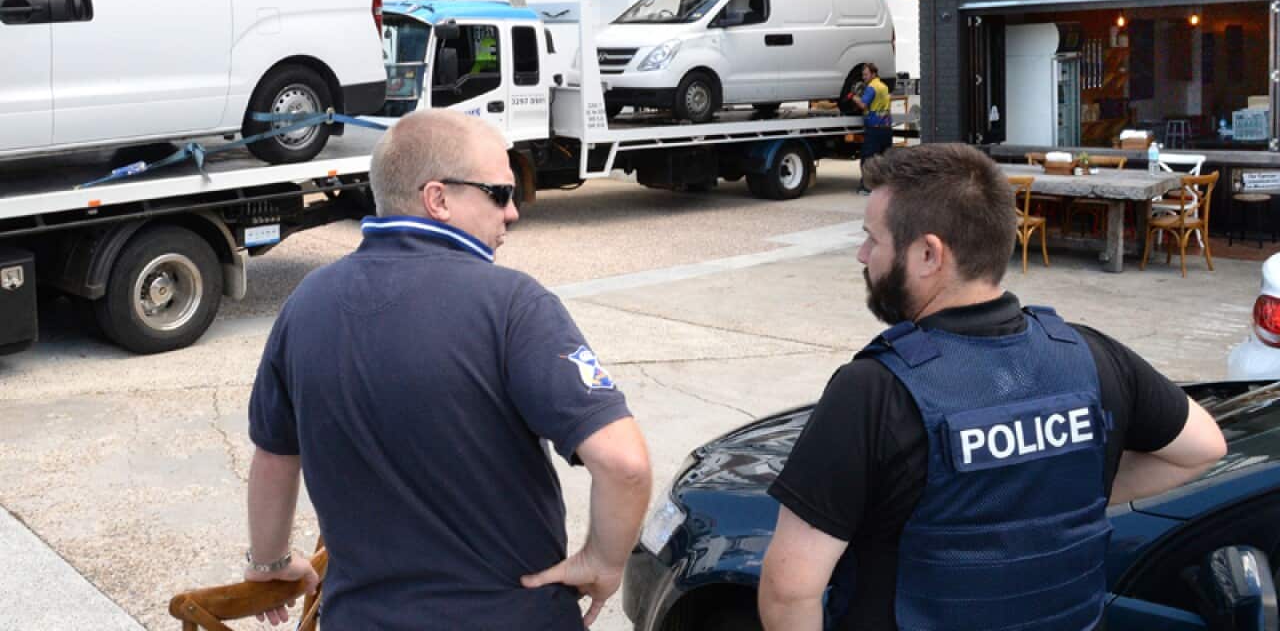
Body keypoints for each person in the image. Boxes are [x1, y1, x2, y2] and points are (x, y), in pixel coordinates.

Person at [758, 144, 1226, 631]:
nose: (862, 254)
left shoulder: (875, 391)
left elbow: (790, 590)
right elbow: (1202, 448)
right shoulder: (1092, 358)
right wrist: (1061, 493)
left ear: (927, 254)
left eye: (872, 239)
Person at [242, 109, 653, 630]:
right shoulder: (512, 304)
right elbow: (625, 464)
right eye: (500, 194)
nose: (513, 214)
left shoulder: (306, 304)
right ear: (438, 198)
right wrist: (603, 560)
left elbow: (276, 457)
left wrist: (270, 563)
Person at [851, 63, 893, 195]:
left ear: (873, 74)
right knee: (883, 159)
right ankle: (884, 186)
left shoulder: (872, 87)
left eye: (866, 74)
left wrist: (854, 97)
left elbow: (863, 105)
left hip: (874, 130)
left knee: (867, 159)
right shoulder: (884, 87)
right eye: (863, 75)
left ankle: (866, 187)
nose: (864, 77)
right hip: (886, 128)